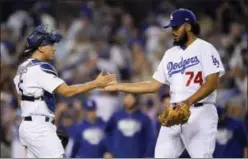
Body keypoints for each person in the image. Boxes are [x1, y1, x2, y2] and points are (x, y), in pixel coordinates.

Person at [104, 8, 225, 158]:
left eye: (176, 27)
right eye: (171, 28)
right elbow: (152, 85)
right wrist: (119, 86)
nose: (172, 31)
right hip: (175, 113)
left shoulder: (206, 49)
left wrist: (187, 102)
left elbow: (212, 83)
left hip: (201, 112)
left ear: (188, 26)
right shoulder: (170, 54)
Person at [13, 25, 116, 158]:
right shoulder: (41, 68)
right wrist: (96, 83)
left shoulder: (23, 67)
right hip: (39, 128)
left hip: (27, 126)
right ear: (40, 47)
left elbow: (20, 97)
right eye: (50, 44)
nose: (54, 48)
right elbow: (67, 92)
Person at [104, 93, 155, 158]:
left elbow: (150, 138)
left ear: (136, 100)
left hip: (137, 156)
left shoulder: (144, 118)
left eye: (130, 98)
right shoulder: (115, 116)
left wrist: (148, 155)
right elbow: (107, 133)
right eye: (126, 98)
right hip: (118, 155)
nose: (128, 101)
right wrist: (109, 150)